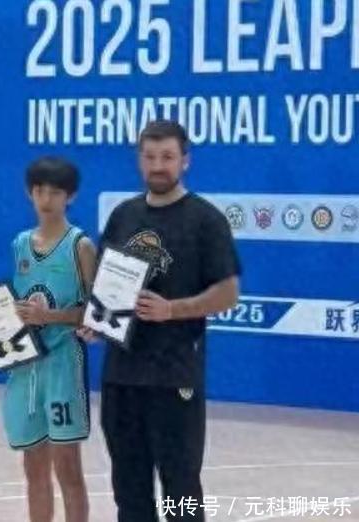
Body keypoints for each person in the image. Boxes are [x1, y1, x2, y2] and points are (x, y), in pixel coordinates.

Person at [96, 120, 241, 521]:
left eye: (167, 157)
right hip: (121, 375)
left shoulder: (205, 220)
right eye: (149, 157)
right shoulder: (123, 215)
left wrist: (172, 309)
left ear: (185, 161)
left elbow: (228, 292)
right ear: (138, 160)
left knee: (180, 488)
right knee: (128, 488)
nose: (158, 166)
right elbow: (105, 286)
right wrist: (96, 322)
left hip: (173, 375)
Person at [4, 157, 96, 522]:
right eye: (39, 191)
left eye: (55, 192)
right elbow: (19, 304)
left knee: (67, 466)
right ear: (29, 193)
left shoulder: (80, 246)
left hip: (64, 363)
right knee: (33, 467)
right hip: (27, 367)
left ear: (70, 196)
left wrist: (51, 317)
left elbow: (98, 312)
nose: (46, 199)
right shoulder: (20, 244)